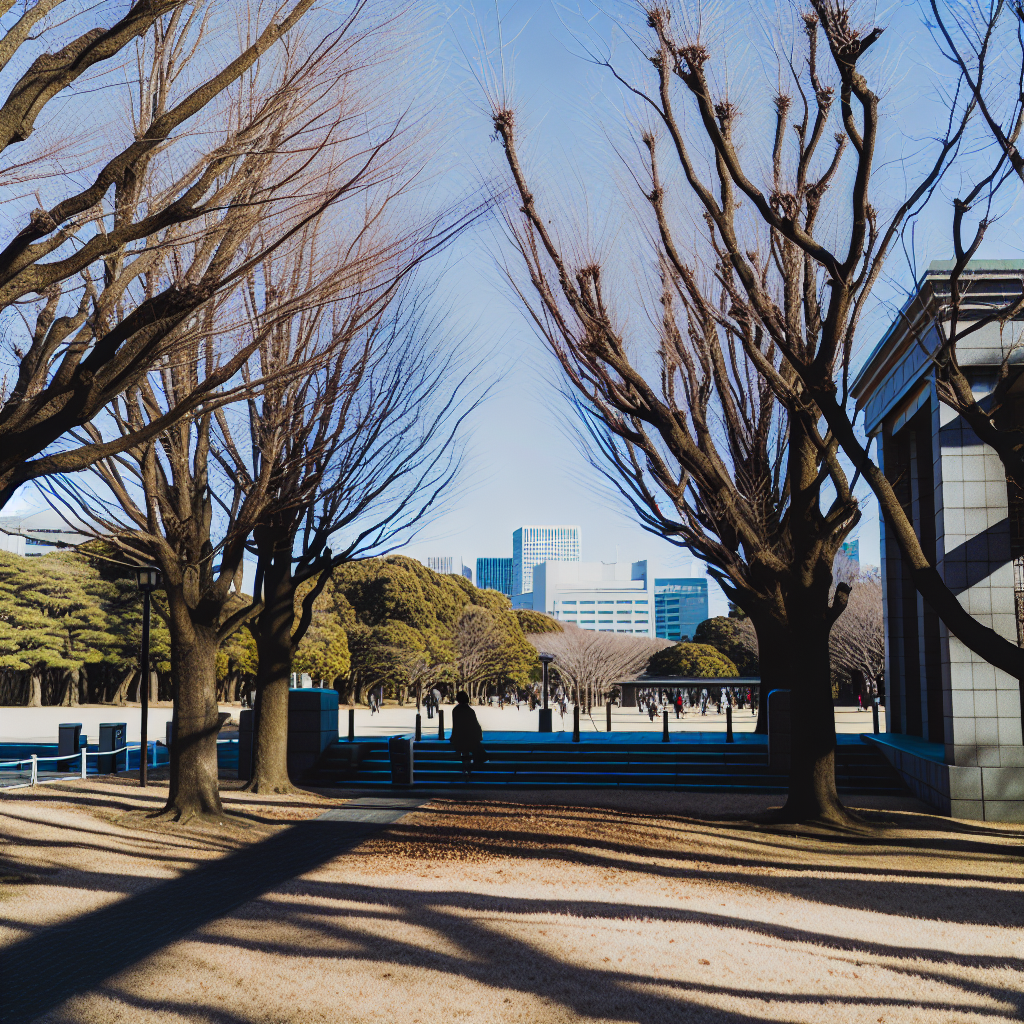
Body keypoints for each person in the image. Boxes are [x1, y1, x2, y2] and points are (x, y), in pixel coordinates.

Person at [450, 690, 488, 777]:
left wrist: (453, 737)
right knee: (476, 751)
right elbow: (475, 725)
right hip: (470, 739)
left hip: (459, 739)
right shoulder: (470, 711)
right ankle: (471, 769)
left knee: (465, 752)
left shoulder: (456, 710)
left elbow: (455, 726)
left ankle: (466, 768)